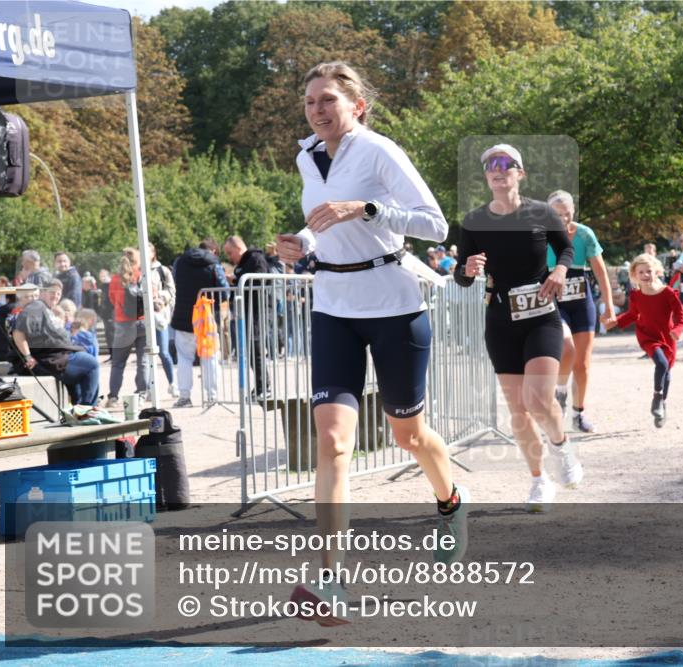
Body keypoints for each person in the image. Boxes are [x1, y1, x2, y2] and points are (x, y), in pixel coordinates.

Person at [275, 61, 469, 623]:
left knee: (408, 434)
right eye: (310, 100)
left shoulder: (380, 151)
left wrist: (367, 208)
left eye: (328, 99)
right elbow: (323, 220)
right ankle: (331, 579)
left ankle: (450, 502)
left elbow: (436, 226)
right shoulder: (306, 154)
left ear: (356, 106)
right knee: (333, 442)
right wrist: (303, 243)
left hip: (394, 304)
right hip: (333, 305)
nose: (317, 109)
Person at [454, 142, 580, 513]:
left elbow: (567, 249)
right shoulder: (474, 221)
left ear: (519, 173)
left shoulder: (541, 212)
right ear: (486, 175)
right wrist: (468, 269)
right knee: (518, 411)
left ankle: (561, 445)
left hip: (541, 316)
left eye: (506, 163)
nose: (498, 168)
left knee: (539, 399)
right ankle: (539, 479)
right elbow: (462, 275)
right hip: (500, 320)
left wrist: (559, 270)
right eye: (491, 163)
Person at [545, 189, 615, 433]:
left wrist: (608, 306)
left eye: (567, 214)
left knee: (583, 365)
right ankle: (561, 391)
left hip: (582, 300)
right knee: (566, 348)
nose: (563, 219)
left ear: (573, 212)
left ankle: (578, 413)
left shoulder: (584, 234)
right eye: (557, 215)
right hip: (554, 300)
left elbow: (600, 271)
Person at [607, 254, 683, 428]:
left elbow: (680, 317)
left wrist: (677, 330)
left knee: (667, 372)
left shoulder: (667, 293)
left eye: (648, 271)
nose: (645, 275)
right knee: (661, 364)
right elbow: (633, 315)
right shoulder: (636, 295)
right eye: (641, 272)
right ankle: (657, 397)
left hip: (667, 336)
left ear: (656, 271)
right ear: (635, 275)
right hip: (648, 336)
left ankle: (662, 404)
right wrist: (616, 322)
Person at [10, 282, 100, 406]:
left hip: (58, 355)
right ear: (42, 293)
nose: (56, 296)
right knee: (92, 364)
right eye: (52, 292)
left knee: (84, 370)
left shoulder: (44, 309)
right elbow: (18, 332)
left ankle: (80, 409)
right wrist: (28, 356)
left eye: (58, 293)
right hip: (50, 358)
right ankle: (88, 409)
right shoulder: (35, 306)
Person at [171, 239, 228, 408]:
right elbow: (224, 290)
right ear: (214, 251)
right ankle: (212, 396)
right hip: (206, 316)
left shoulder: (180, 262)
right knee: (209, 356)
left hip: (183, 316)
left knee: (184, 358)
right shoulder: (214, 264)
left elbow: (175, 283)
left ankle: (184, 396)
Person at [224, 235, 273, 399]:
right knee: (251, 351)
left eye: (230, 253)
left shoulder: (256, 258)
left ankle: (263, 387)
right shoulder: (243, 263)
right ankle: (260, 385)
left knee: (256, 349)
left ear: (238, 248)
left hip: (256, 311)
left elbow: (261, 281)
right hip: (245, 312)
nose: (229, 258)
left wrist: (238, 280)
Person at [106, 248, 149, 408]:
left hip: (124, 324)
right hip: (143, 322)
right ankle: (141, 393)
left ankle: (114, 397)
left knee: (118, 363)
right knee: (142, 361)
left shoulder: (116, 279)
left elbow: (112, 299)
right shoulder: (142, 276)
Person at [149, 243, 179, 395]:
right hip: (142, 318)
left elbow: (171, 291)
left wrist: (160, 297)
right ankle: (147, 388)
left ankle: (173, 383)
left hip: (159, 317)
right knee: (146, 354)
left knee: (163, 352)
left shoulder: (162, 270)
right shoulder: (136, 271)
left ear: (153, 253)